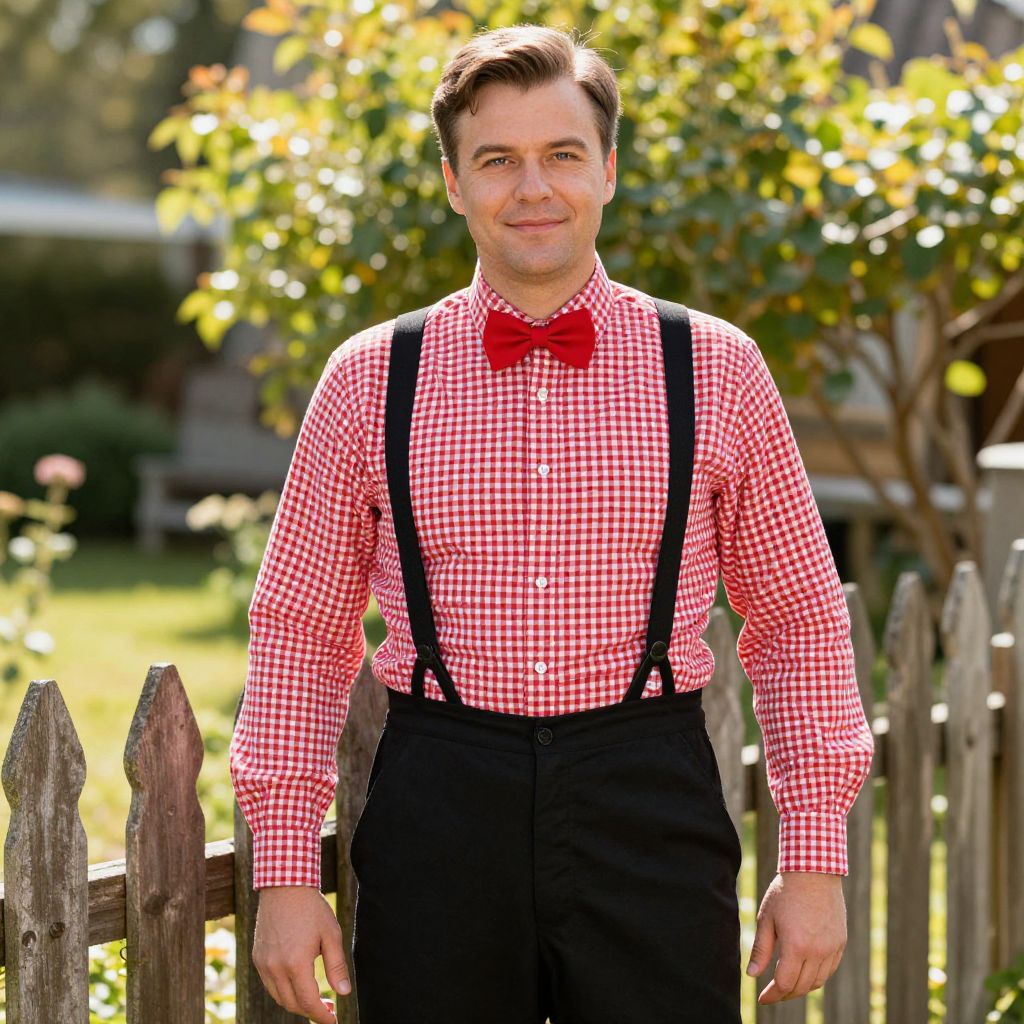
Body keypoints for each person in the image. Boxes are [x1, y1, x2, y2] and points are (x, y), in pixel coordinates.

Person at [228, 23, 875, 1024]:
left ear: (607, 170)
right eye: (497, 160)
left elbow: (796, 623)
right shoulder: (368, 378)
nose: (533, 187)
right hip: (438, 805)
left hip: (646, 803)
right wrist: (282, 872)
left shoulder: (715, 369)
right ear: (453, 182)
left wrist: (816, 860)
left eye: (561, 154)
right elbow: (301, 636)